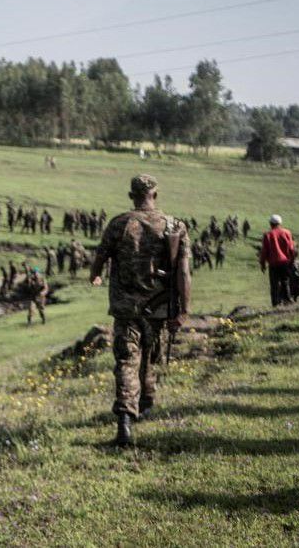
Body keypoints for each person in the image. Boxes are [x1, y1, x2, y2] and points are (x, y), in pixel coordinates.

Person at [89, 175, 190, 447]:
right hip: (157, 307)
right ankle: (146, 403)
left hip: (126, 308)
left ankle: (125, 417)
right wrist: (183, 310)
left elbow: (99, 259)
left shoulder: (119, 224)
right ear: (155, 195)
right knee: (150, 356)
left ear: (131, 195)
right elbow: (182, 272)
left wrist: (95, 275)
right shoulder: (174, 226)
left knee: (126, 360)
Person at [259, 214, 296, 306]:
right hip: (285, 262)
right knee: (285, 282)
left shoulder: (268, 235)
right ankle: (288, 301)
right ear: (280, 223)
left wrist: (262, 263)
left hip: (273, 263)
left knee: (274, 285)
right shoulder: (287, 233)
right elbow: (291, 249)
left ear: (271, 224)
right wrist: (292, 261)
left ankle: (275, 304)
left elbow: (264, 251)